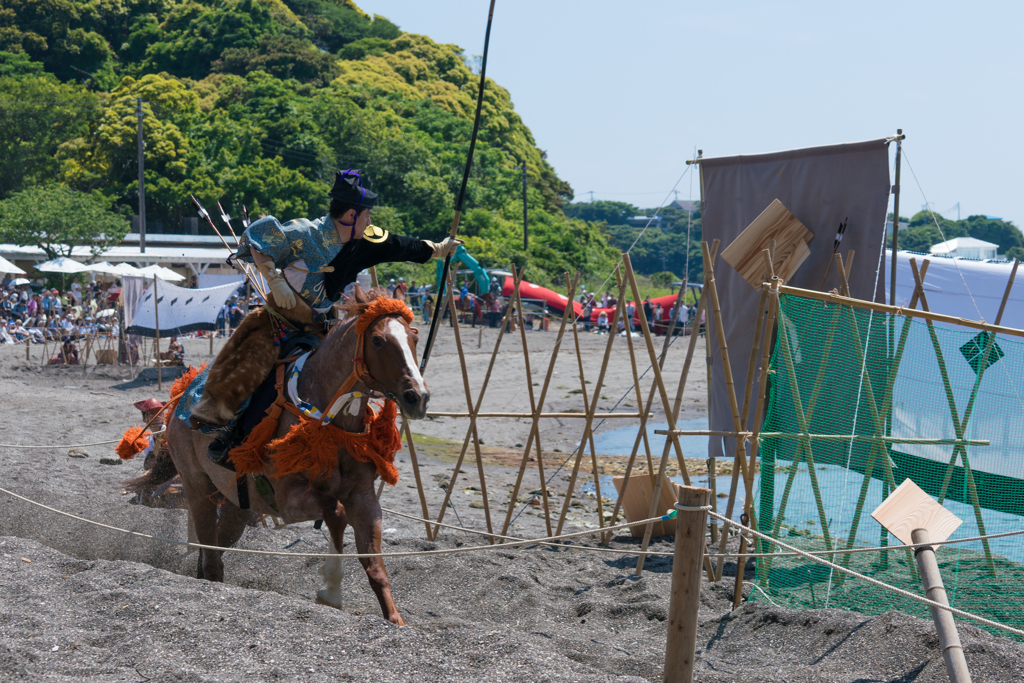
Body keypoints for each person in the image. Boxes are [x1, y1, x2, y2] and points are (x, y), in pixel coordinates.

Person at [188, 168, 462, 428]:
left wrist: (439, 249)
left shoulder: (366, 240)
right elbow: (258, 239)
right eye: (367, 215)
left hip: (323, 326)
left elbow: (403, 246)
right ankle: (224, 437)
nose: (370, 221)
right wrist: (273, 279)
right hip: (279, 321)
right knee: (238, 378)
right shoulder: (306, 233)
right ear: (351, 215)